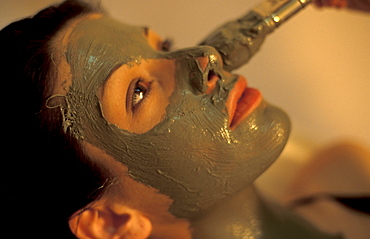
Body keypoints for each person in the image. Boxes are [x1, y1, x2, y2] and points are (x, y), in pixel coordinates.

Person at [1, 0, 365, 238]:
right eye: (138, 92)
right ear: (111, 222)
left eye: (163, 46)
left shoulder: (344, 171)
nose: (204, 57)